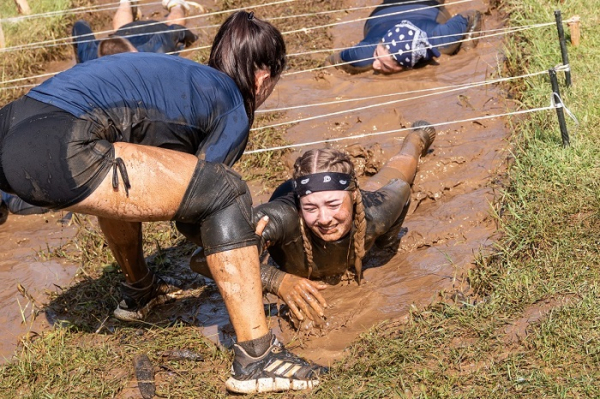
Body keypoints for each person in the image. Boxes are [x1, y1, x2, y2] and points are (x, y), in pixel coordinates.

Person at [0, 11, 325, 394]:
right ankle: (258, 357)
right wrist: (271, 276)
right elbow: (201, 212)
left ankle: (140, 291)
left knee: (123, 171)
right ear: (263, 77)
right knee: (227, 191)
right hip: (60, 142)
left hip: (15, 119)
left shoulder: (181, 77)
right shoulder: (232, 105)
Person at [190, 121, 437, 325]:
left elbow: (402, 190)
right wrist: (277, 280)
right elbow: (201, 259)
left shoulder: (376, 210)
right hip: (287, 202)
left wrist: (385, 243)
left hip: (365, 195)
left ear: (352, 197)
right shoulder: (280, 219)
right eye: (311, 209)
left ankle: (415, 139)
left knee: (402, 167)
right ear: (300, 207)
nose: (325, 219)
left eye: (333, 205)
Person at [327, 0, 482, 74]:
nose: (375, 65)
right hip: (385, 9)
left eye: (385, 65)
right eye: (377, 55)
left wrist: (466, 49)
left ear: (408, 66)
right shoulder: (363, 55)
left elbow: (472, 16)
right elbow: (332, 61)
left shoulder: (440, 43)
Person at [72, 0, 201, 63]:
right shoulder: (156, 49)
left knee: (173, 24)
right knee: (120, 29)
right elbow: (80, 25)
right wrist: (195, 39)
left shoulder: (91, 58)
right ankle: (175, 5)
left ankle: (175, 5)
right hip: (123, 32)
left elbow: (177, 31)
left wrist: (195, 38)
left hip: (146, 29)